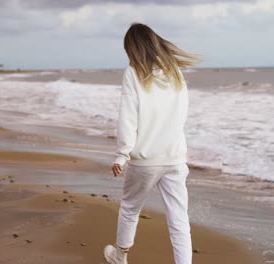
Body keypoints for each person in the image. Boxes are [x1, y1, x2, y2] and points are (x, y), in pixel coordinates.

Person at [103, 22, 202, 264]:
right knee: (179, 220)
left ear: (132, 48)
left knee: (130, 208)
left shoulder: (132, 72)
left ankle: (120, 256)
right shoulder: (175, 72)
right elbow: (181, 113)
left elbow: (128, 116)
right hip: (175, 157)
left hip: (145, 159)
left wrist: (122, 154)